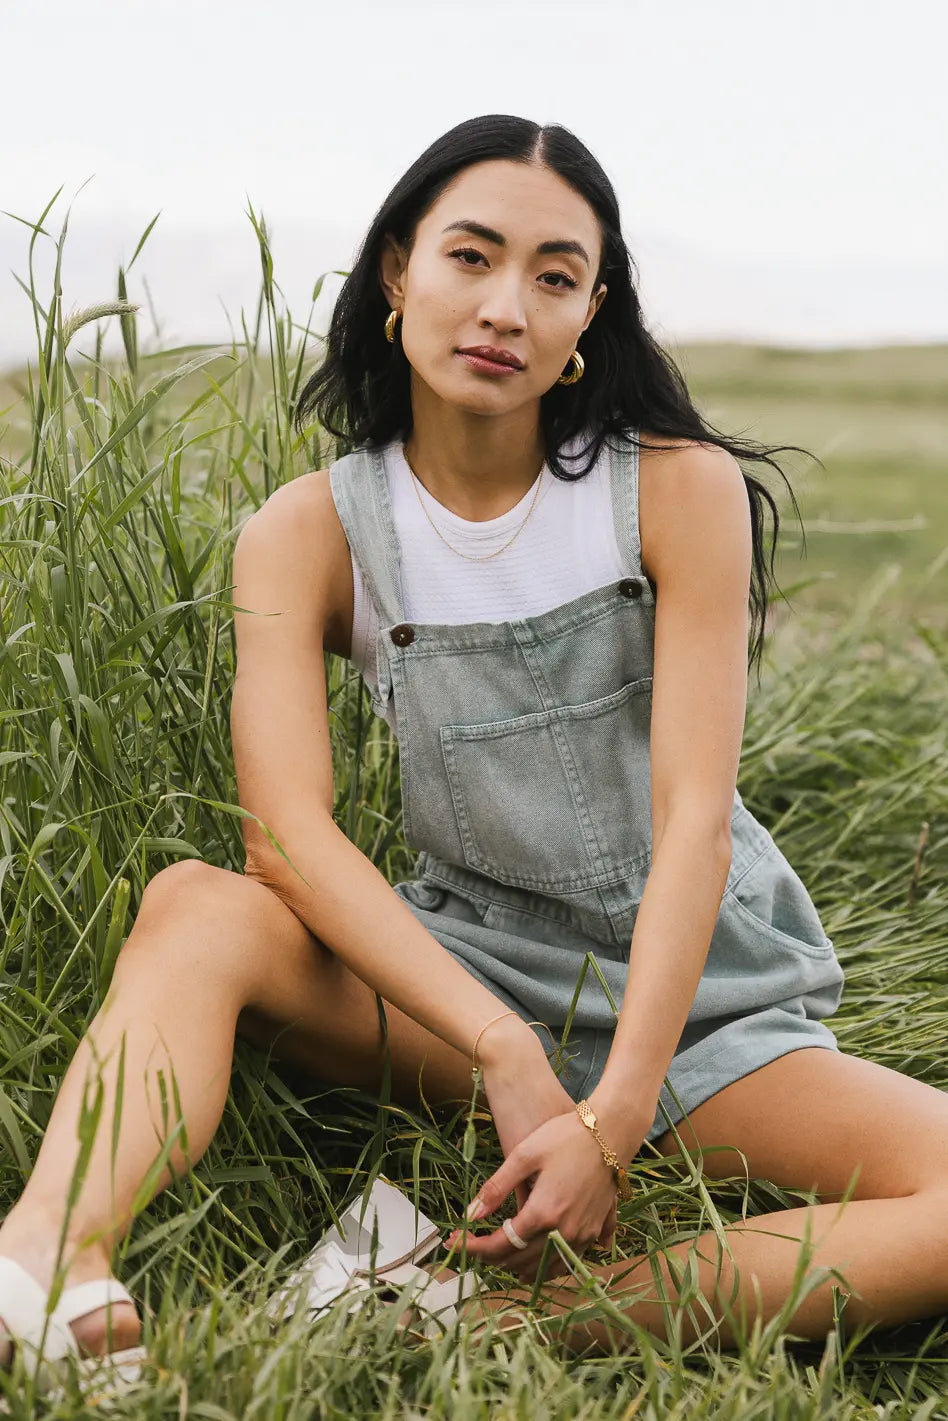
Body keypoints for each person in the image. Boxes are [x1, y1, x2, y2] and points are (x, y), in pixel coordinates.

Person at [3, 114, 947, 1366]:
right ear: (400, 273)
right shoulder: (310, 531)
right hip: (470, 976)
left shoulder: (672, 487)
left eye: (555, 276)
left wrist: (610, 1123)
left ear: (589, 315)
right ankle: (43, 1266)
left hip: (708, 1005)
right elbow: (287, 838)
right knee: (199, 901)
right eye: (473, 256)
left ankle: (463, 1315)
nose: (507, 304)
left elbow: (693, 820)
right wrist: (501, 1042)